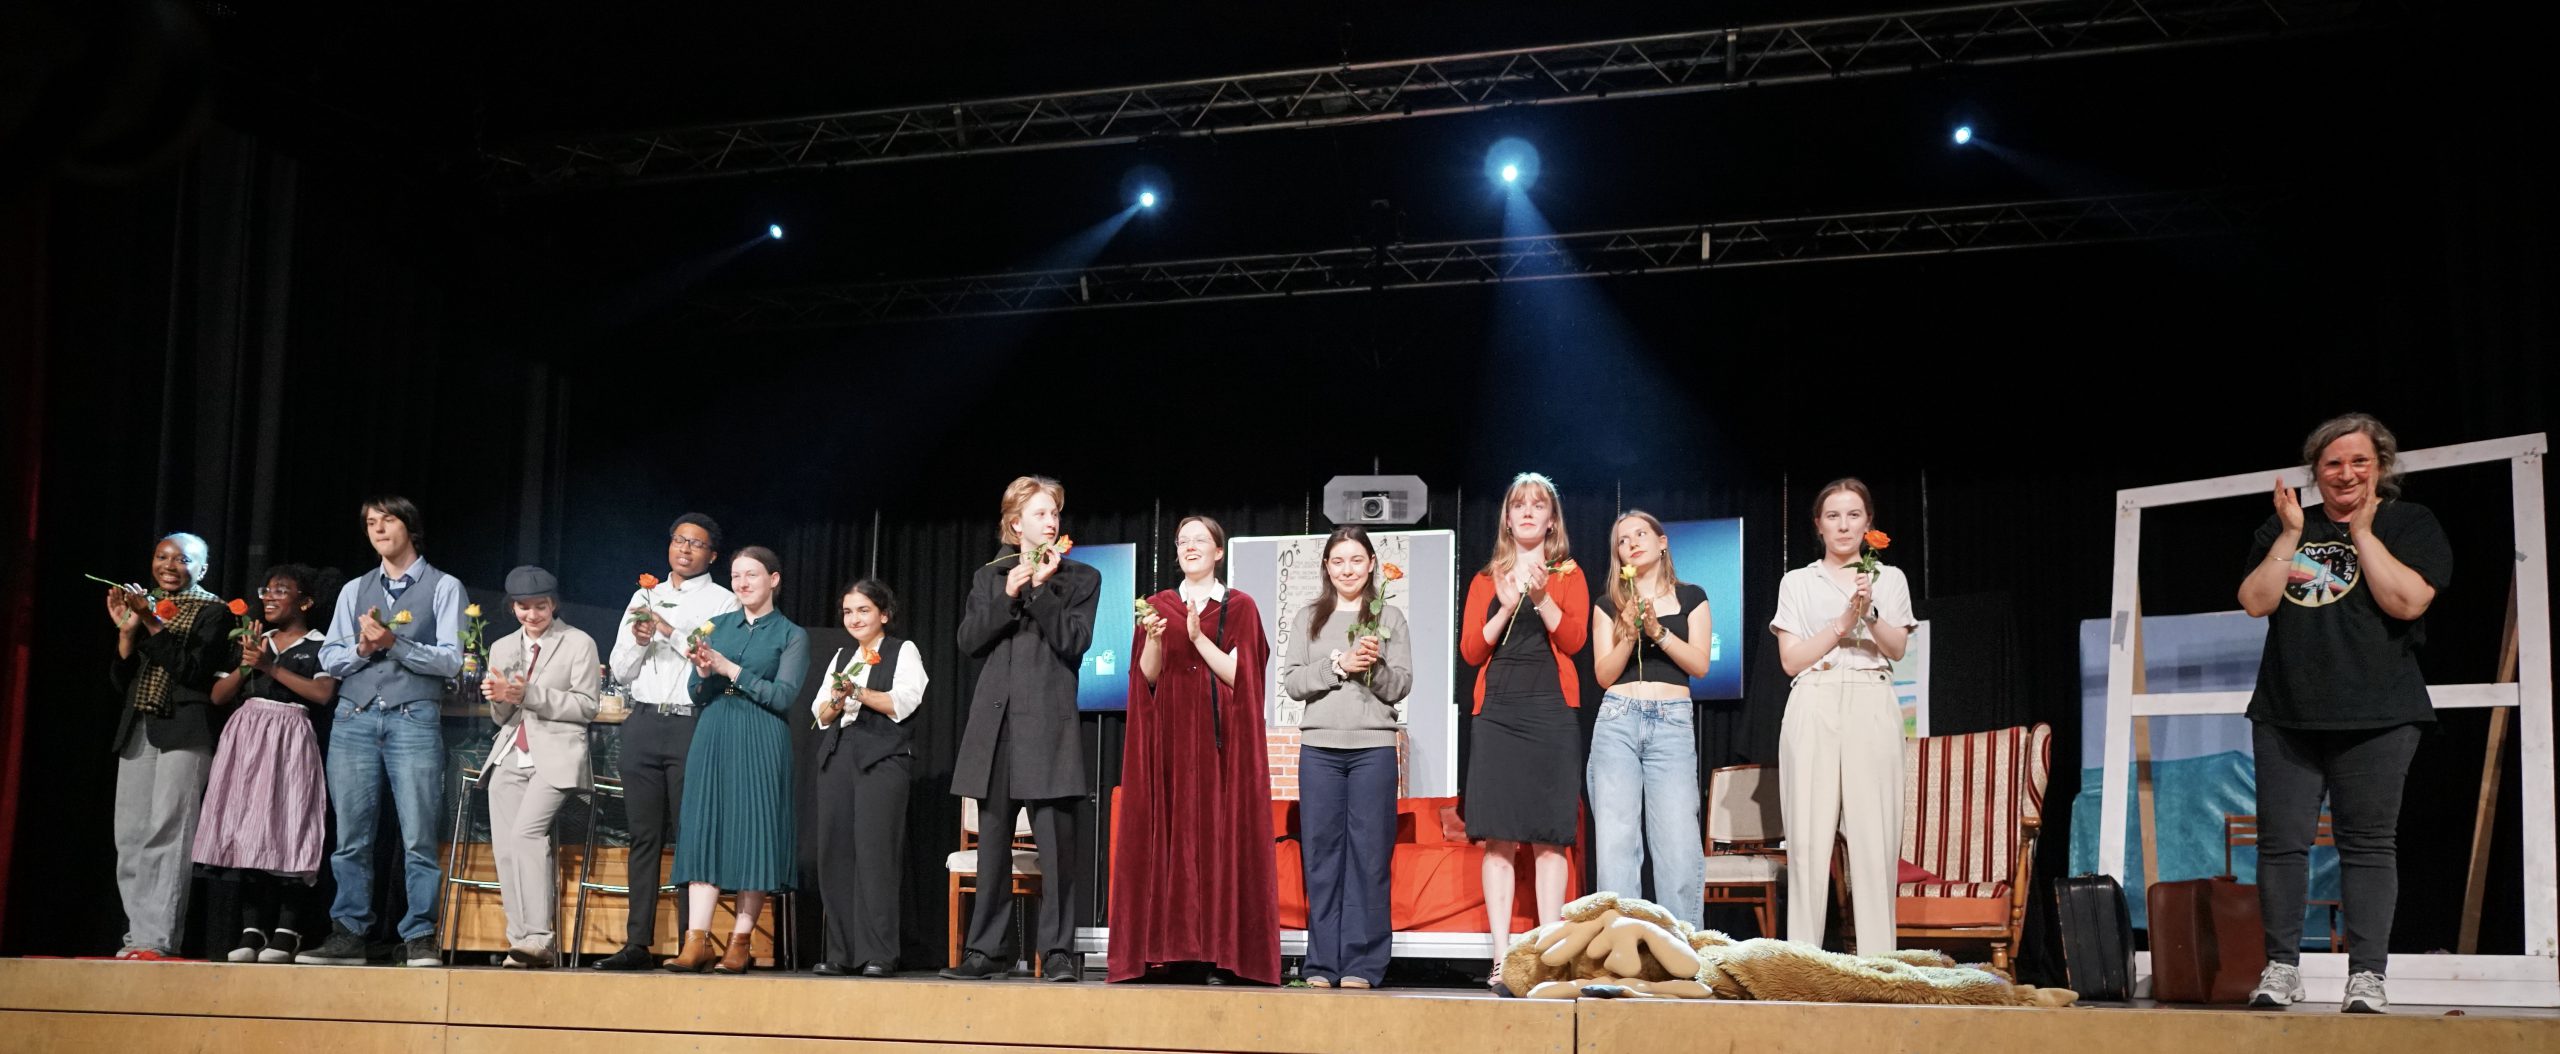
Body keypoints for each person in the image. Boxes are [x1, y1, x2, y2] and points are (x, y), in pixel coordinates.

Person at [2237, 413, 2449, 1015]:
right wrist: (2288, 535)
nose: (2346, 473)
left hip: (2379, 715)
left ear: (2380, 467)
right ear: (2316, 471)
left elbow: (2407, 602)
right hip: (2287, 713)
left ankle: (2367, 976)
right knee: (2281, 845)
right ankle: (2282, 968)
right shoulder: (2286, 527)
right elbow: (2255, 602)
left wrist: (2363, 533)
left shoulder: (2410, 522)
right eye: (2333, 463)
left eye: (2359, 461)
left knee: (2367, 845)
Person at [943, 475, 1099, 983]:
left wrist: (1040, 590)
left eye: (1054, 512)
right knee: (992, 847)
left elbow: (1073, 641)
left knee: (1055, 848)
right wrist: (1010, 592)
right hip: (996, 727)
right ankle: (986, 951)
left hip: (1049, 728)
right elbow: (969, 641)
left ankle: (1056, 951)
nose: (1051, 521)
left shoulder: (1080, 577)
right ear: (1016, 525)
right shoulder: (990, 577)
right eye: (1040, 514)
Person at [302, 497, 466, 968]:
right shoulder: (355, 588)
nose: (377, 529)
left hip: (413, 717)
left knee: (418, 835)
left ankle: (420, 935)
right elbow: (330, 657)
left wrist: (395, 643)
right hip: (354, 717)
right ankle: (349, 932)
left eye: (386, 520)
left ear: (409, 527)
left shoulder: (444, 586)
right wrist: (361, 648)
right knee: (351, 836)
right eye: (370, 523)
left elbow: (450, 659)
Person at [1115, 515, 1278, 985]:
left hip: (1219, 743)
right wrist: (1156, 640)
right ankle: (1174, 951)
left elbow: (1242, 677)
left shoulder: (1239, 606)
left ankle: (1219, 954)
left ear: (1218, 551)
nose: (1189, 546)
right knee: (1172, 836)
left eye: (1199, 540)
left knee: (1216, 838)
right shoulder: (1157, 606)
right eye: (1182, 540)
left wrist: (1197, 638)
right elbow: (1146, 677)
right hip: (1169, 738)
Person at [1769, 478, 1914, 954]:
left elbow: (1897, 648)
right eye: (1833, 516)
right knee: (1808, 842)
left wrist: (1868, 613)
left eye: (1854, 515)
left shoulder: (1888, 578)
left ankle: (1879, 964)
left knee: (1874, 842)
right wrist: (1841, 623)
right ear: (1819, 525)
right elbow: (1791, 660)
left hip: (1871, 697)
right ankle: (1803, 961)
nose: (1844, 525)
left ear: (1868, 523)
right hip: (1815, 697)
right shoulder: (1797, 581)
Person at [1457, 472, 1589, 979]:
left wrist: (1541, 597)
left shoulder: (1568, 575)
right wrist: (1508, 604)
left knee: (1550, 836)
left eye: (1538, 505)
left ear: (1552, 520)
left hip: (1551, 713)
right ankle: (1501, 957)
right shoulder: (1484, 579)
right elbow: (1472, 651)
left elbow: (1574, 641)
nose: (1529, 512)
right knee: (1498, 837)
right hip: (1498, 714)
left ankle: (1550, 958)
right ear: (1508, 519)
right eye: (1519, 505)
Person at [593, 513, 740, 971]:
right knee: (643, 835)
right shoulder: (644, 596)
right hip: (642, 721)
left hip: (692, 722)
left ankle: (691, 943)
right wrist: (640, 640)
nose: (685, 549)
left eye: (696, 544)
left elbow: (713, 660)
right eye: (679, 540)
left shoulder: (724, 601)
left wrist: (667, 630)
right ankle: (637, 942)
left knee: (690, 836)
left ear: (712, 555)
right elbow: (621, 670)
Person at [1279, 525, 1412, 989]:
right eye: (1338, 561)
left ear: (1371, 564)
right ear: (1327, 567)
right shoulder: (1309, 617)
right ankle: (1321, 963)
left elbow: (1401, 685)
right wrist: (1338, 665)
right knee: (1322, 857)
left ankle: (1363, 963)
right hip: (1320, 750)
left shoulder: (1388, 616)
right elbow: (1293, 682)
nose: (1347, 569)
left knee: (1369, 858)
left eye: (1356, 560)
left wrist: (1373, 666)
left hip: (1373, 749)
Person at [665, 546, 807, 974]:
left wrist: (731, 670)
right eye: (736, 576)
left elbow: (783, 696)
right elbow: (696, 693)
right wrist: (703, 673)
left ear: (773, 580)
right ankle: (696, 940)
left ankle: (740, 942)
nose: (742, 583)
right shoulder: (716, 626)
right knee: (704, 827)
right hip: (715, 730)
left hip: (761, 733)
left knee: (754, 832)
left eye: (752, 575)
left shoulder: (791, 634)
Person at [194, 563, 341, 963]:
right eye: (266, 591)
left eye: (280, 591)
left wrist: (270, 667)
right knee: (248, 828)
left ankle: (287, 929)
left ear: (304, 602)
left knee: (288, 827)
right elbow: (219, 696)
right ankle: (251, 928)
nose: (269, 598)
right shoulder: (253, 639)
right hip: (247, 739)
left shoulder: (320, 644)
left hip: (291, 738)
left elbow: (322, 693)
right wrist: (248, 664)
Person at [102, 531, 233, 959]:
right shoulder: (145, 607)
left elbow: (191, 672)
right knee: (130, 835)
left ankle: (156, 938)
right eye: (162, 557)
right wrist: (127, 633)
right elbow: (123, 683)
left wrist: (152, 622)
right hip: (139, 726)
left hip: (185, 729)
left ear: (203, 569)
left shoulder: (214, 612)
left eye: (182, 559)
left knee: (169, 832)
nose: (169, 566)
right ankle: (137, 934)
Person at [1587, 510, 1715, 927]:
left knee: (1677, 842)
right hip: (1618, 719)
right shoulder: (1607, 605)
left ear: (1662, 542)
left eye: (1641, 534)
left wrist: (1657, 630)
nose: (1632, 543)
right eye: (1623, 540)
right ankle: (1620, 944)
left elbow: (1699, 665)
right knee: (1617, 843)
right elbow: (1604, 674)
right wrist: (1628, 632)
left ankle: (1683, 946)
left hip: (1672, 720)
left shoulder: (1692, 597)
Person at [479, 566, 601, 968]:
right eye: (523, 607)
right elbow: (501, 717)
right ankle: (519, 941)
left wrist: (528, 693)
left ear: (554, 604)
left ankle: (540, 937)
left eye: (540, 606)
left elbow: (586, 706)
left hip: (557, 754)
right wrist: (499, 697)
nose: (532, 615)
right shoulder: (502, 647)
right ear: (512, 607)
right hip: (511, 752)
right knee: (506, 847)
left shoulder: (578, 642)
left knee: (527, 834)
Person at [808, 579, 928, 978]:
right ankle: (841, 952)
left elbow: (904, 701)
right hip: (839, 754)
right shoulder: (843, 655)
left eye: (863, 610)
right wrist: (838, 698)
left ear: (884, 614)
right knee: (836, 853)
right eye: (848, 611)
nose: (854, 618)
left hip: (882, 757)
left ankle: (879, 952)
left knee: (876, 856)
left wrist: (857, 692)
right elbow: (821, 714)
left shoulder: (901, 650)